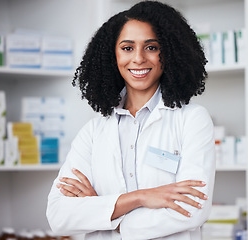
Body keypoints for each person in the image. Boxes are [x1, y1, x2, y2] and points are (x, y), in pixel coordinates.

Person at [46, 1, 215, 239]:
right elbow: (59, 216)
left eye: (151, 47)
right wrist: (140, 197)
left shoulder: (192, 120)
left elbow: (192, 208)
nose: (138, 59)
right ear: (112, 55)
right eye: (127, 48)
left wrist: (107, 215)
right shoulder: (93, 132)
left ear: (168, 53)